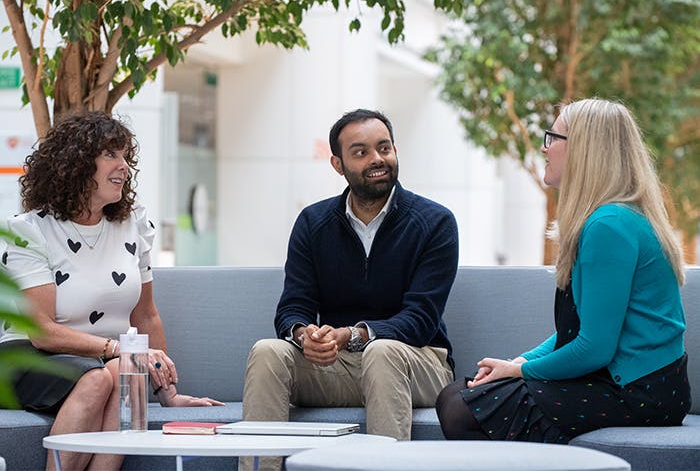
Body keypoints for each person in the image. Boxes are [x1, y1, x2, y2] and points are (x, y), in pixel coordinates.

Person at [436, 98, 691, 443]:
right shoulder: (607, 219)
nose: (544, 148)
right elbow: (580, 332)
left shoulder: (610, 225)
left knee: (460, 410)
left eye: (553, 138)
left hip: (640, 392)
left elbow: (595, 347)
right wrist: (519, 361)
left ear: (585, 150)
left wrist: (520, 371)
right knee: (453, 395)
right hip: (619, 378)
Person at [0, 112, 223, 471]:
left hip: (105, 362)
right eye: (111, 155)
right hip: (29, 357)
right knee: (100, 377)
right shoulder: (30, 230)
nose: (124, 167)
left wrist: (169, 394)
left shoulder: (133, 223)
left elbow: (145, 314)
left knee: (119, 371)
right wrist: (116, 349)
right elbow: (41, 332)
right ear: (75, 164)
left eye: (125, 157)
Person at [240, 108, 458, 470]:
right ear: (338, 165)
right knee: (267, 351)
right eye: (361, 152)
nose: (377, 159)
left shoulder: (435, 223)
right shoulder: (314, 223)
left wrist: (354, 335)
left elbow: (420, 320)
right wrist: (304, 334)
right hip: (340, 366)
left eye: (384, 148)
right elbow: (293, 305)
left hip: (418, 364)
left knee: (383, 352)